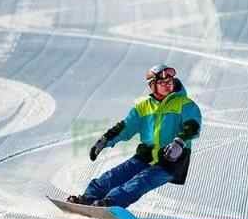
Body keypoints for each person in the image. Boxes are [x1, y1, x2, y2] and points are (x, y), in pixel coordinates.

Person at [67, 64, 202, 208]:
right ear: (152, 85)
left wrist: (179, 143)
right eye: (162, 83)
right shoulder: (143, 107)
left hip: (171, 160)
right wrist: (105, 140)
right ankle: (88, 198)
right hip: (145, 156)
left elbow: (192, 126)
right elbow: (125, 127)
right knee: (113, 176)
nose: (167, 85)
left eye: (170, 82)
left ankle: (111, 203)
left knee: (139, 182)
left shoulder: (185, 104)